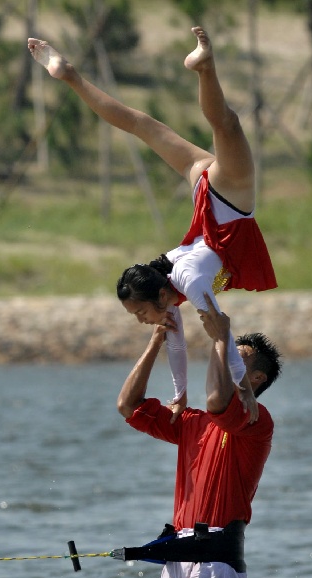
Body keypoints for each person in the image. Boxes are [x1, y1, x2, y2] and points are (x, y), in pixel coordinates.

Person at [27, 26, 277, 424]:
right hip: (207, 197)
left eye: (141, 312)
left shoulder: (189, 280)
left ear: (160, 295)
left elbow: (222, 333)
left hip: (229, 199)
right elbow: (176, 350)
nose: (143, 321)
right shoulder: (172, 297)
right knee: (139, 124)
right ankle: (69, 75)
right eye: (138, 317)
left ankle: (204, 66)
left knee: (227, 125)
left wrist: (243, 387)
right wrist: (179, 396)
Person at [116, 293, 282, 578]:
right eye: (228, 351)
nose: (229, 356)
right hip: (180, 551)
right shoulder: (192, 423)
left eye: (239, 358)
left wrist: (221, 338)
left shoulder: (252, 418)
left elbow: (216, 398)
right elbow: (128, 405)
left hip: (216, 557)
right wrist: (156, 340)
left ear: (257, 378)